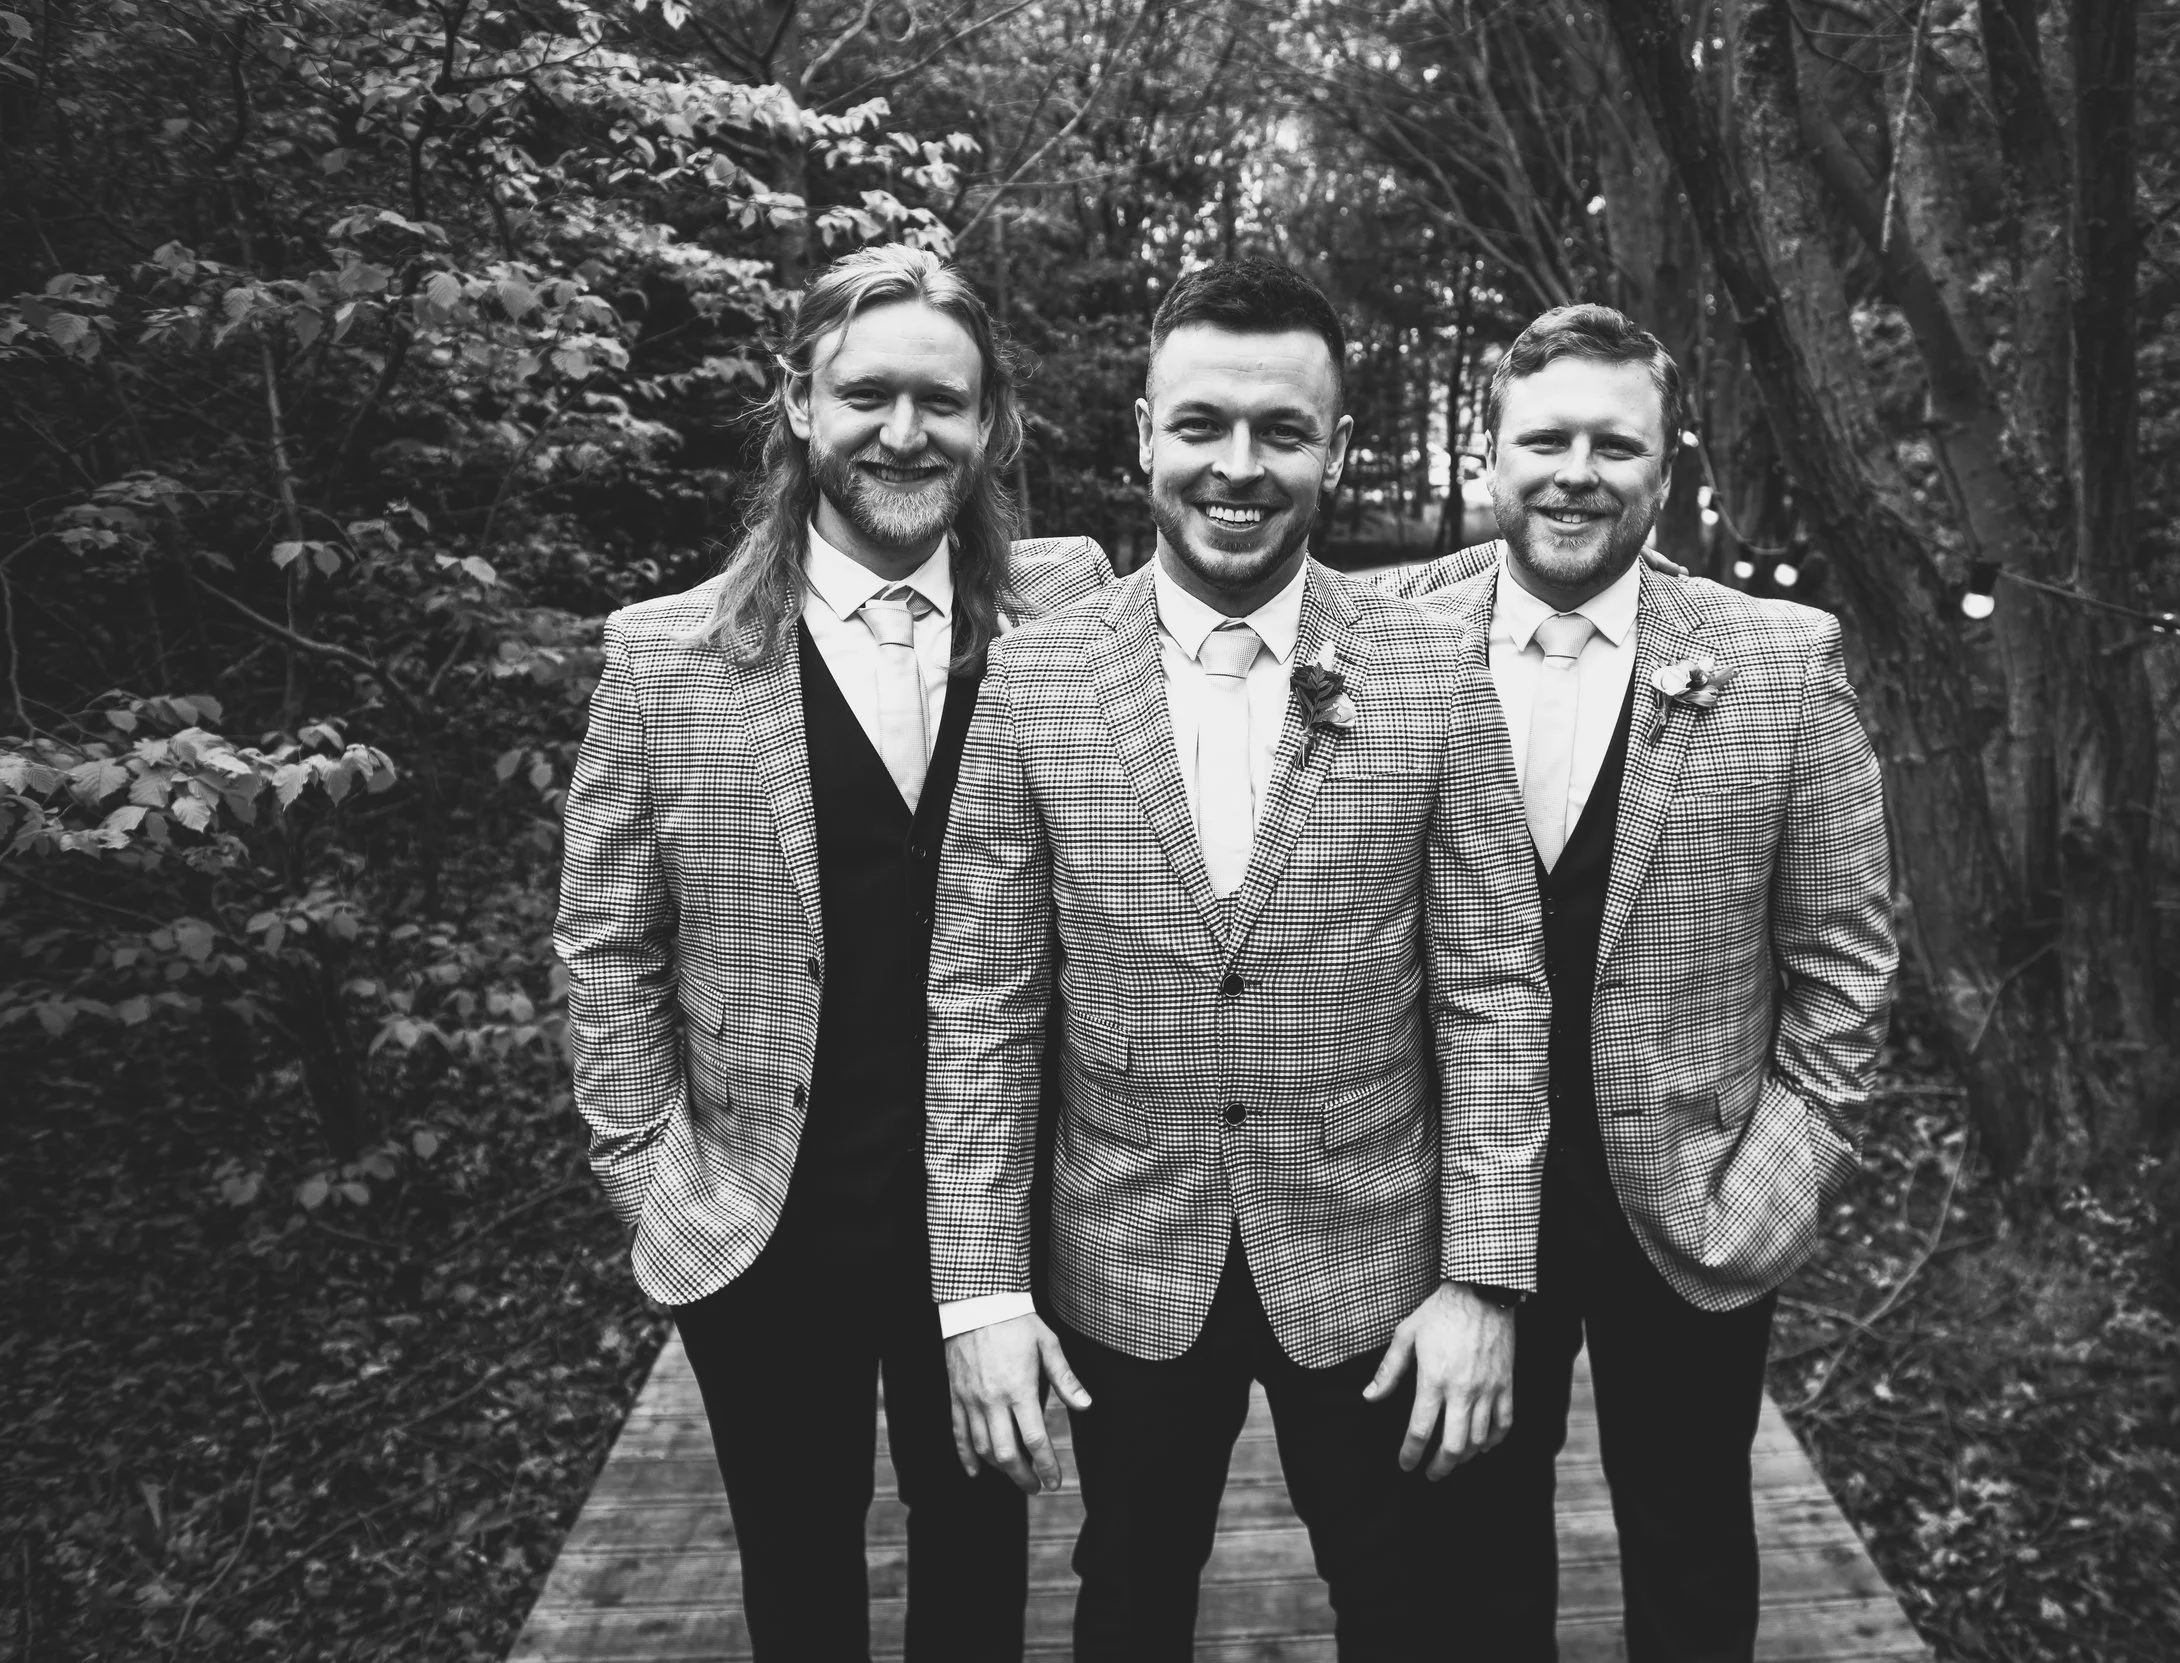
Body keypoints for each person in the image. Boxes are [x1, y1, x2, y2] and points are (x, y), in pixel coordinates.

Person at [924, 257, 1551, 1661]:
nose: (1239, 466)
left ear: (1331, 445)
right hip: (1123, 1255)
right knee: (1127, 1603)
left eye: (1283, 430)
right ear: (1144, 434)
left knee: (1415, 1613)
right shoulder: (1034, 674)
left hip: (1375, 1260)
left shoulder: (1433, 670)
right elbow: (981, 1000)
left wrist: (1486, 1280)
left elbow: (1495, 986)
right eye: (1202, 424)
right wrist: (979, 1292)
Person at [553, 244, 1111, 1663]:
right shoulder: (667, 658)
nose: (906, 433)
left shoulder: (1067, 611)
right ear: (797, 402)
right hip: (767, 1217)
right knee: (798, 1571)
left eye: (944, 399)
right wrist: (648, 1177)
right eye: (869, 394)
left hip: (997, 1209)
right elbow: (606, 939)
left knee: (983, 1548)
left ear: (993, 425)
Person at [1397, 304, 1897, 1662]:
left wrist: (1776, 1180)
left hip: (1688, 1206)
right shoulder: (1381, 633)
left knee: (1690, 1544)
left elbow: (1847, 963)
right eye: (1544, 439)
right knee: (1469, 1545)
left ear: (1664, 473)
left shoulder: (1782, 662)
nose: (1576, 471)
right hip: (1448, 1204)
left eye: (1614, 445)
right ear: (1487, 461)